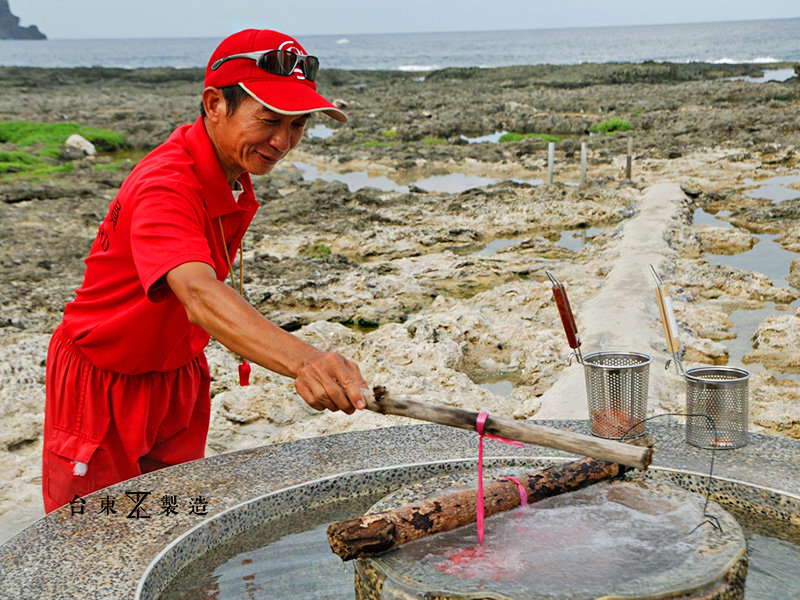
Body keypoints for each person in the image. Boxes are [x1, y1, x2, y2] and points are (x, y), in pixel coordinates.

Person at [42, 28, 368, 513]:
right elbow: (195, 289)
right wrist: (305, 361)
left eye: (298, 124)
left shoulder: (230, 172)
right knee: (94, 541)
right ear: (215, 104)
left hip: (178, 378)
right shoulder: (166, 185)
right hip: (104, 382)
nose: (282, 141)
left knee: (171, 526)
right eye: (269, 119)